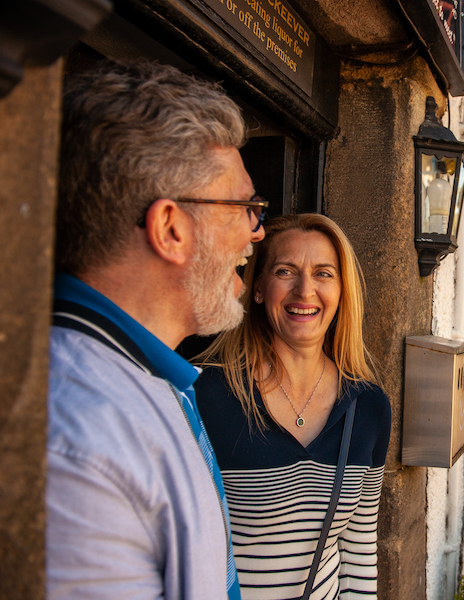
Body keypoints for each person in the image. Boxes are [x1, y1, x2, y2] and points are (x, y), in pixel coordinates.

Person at [47, 59, 266, 599]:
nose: (257, 231)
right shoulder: (78, 442)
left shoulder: (150, 377)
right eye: (242, 206)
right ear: (170, 229)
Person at [194, 214, 391, 599]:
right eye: (286, 271)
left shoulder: (369, 407)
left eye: (323, 274)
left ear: (341, 291)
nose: (305, 290)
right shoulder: (206, 396)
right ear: (258, 288)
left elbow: (358, 550)